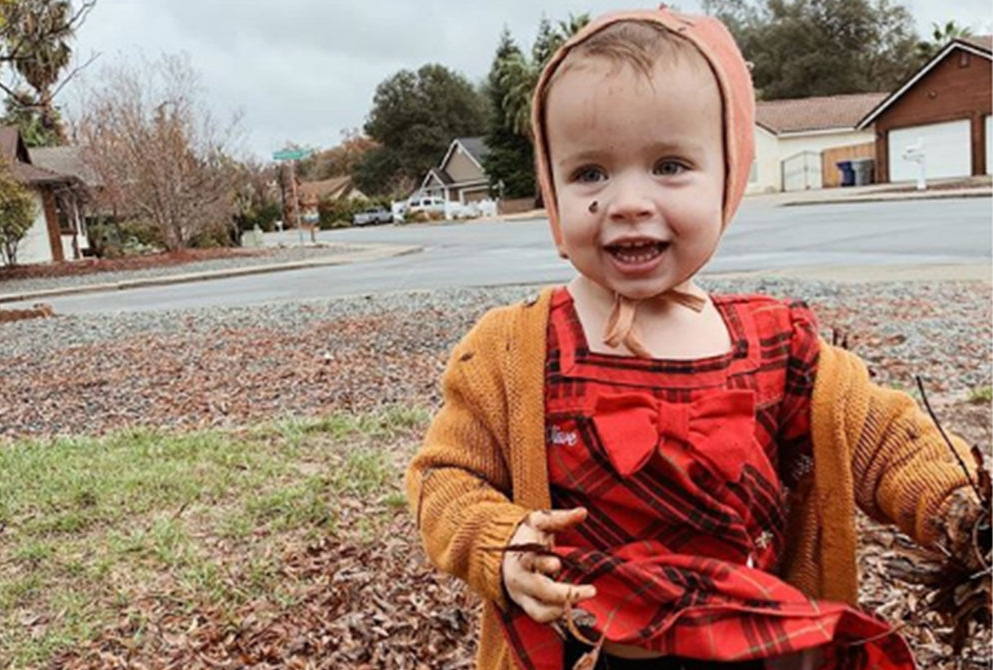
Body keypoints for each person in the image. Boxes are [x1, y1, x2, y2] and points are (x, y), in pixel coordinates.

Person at [405, 8, 981, 670]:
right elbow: (446, 476)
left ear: (728, 179)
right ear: (552, 193)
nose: (627, 201)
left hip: (754, 645)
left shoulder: (775, 346)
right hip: (597, 648)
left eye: (670, 165)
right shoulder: (513, 352)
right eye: (589, 173)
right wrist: (499, 544)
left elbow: (883, 442)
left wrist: (962, 510)